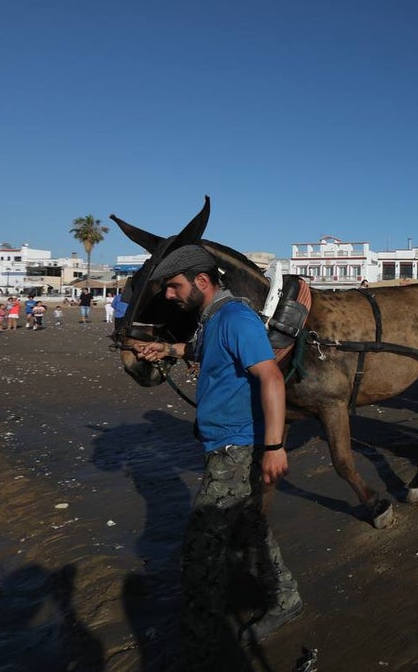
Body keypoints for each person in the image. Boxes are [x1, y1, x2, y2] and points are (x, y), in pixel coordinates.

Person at [132, 245, 301, 659]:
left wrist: (275, 447)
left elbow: (271, 378)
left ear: (202, 282)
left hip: (237, 448)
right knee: (251, 529)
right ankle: (286, 599)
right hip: (222, 444)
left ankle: (198, 647)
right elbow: (204, 352)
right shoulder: (212, 320)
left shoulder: (237, 318)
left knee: (200, 551)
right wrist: (168, 350)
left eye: (174, 287)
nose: (169, 296)